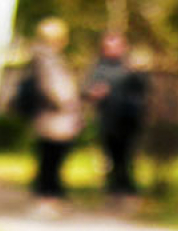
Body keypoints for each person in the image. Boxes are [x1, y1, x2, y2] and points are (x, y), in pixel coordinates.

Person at [86, 33, 149, 196]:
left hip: (129, 120)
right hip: (108, 119)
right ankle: (114, 187)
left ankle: (127, 187)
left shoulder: (130, 68)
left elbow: (143, 89)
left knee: (128, 155)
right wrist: (95, 93)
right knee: (112, 155)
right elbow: (87, 89)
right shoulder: (98, 69)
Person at [31, 18, 82, 205]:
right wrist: (67, 103)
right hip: (54, 116)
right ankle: (47, 196)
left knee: (52, 157)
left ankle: (50, 194)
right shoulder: (46, 59)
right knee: (51, 157)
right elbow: (52, 88)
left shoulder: (49, 58)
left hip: (55, 117)